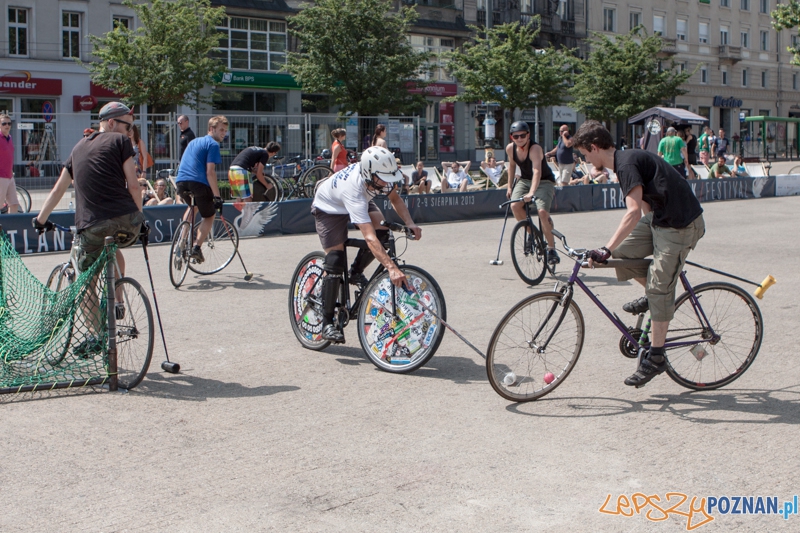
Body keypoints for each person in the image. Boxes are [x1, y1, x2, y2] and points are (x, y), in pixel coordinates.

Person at [573, 120, 705, 387]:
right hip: (661, 219)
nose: (584, 160)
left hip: (681, 224)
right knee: (622, 254)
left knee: (655, 283)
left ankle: (656, 357)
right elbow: (646, 205)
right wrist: (621, 249)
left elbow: (632, 211)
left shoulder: (625, 164)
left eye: (584, 154)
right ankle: (657, 295)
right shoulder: (624, 161)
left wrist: (604, 249)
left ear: (595, 147)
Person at [33, 102, 145, 353]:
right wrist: (140, 218)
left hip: (92, 224)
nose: (130, 133)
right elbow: (134, 187)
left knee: (84, 284)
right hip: (127, 220)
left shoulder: (76, 149)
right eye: (128, 126)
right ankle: (118, 299)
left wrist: (40, 219)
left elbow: (58, 189)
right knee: (113, 243)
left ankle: (97, 337)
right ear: (111, 123)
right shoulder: (121, 143)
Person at [311, 146, 422, 343]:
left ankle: (355, 272)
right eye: (384, 177)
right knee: (336, 260)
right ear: (369, 173)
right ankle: (327, 323)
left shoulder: (379, 178)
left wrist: (410, 223)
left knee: (383, 232)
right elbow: (368, 238)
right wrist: (391, 267)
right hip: (329, 207)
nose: (388, 181)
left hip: (362, 197)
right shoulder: (354, 188)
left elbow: (395, 198)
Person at [175, 115, 229, 262]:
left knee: (193, 207)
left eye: (225, 130)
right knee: (209, 216)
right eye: (221, 130)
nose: (224, 133)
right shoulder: (213, 145)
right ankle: (196, 248)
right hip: (197, 182)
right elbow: (210, 172)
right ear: (211, 129)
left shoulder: (193, 141)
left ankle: (182, 239)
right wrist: (217, 197)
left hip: (181, 181)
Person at [505, 121, 559, 265]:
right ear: (512, 137)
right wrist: (509, 187)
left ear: (528, 135)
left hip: (544, 181)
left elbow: (537, 171)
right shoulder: (510, 149)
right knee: (515, 206)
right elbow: (511, 167)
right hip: (524, 180)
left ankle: (552, 249)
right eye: (516, 136)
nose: (519, 139)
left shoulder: (535, 149)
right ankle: (532, 234)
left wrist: (531, 193)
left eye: (522, 135)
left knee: (542, 212)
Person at [0, 113, 20, 214]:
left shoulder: (10, 138)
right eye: (4, 123)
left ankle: (12, 226)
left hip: (9, 176)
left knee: (14, 204)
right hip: (1, 176)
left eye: (9, 123)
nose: (7, 126)